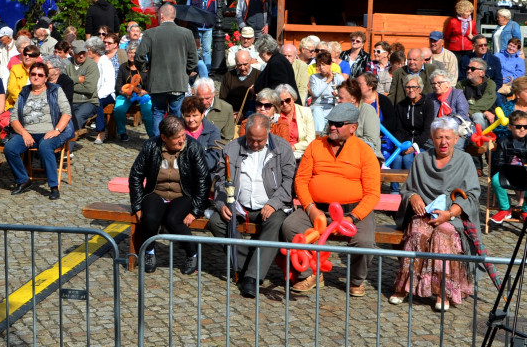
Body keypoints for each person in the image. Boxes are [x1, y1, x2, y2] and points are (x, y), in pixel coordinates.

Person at [282, 103, 381, 296]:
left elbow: (372, 193)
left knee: (364, 242)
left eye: (338, 124)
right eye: (330, 123)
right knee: (290, 227)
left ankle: (356, 280)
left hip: (353, 211)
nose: (332, 127)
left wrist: (353, 217)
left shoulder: (364, 151)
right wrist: (310, 208)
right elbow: (301, 180)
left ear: (353, 128)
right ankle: (310, 273)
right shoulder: (315, 146)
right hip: (318, 209)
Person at [390, 116, 483, 311]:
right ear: (432, 138)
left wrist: (449, 214)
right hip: (424, 213)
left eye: (448, 137)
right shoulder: (422, 159)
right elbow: (407, 189)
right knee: (417, 232)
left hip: (453, 215)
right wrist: (413, 196)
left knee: (443, 233)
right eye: (439, 137)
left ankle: (444, 291)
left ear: (456, 139)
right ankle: (404, 286)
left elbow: (472, 195)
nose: (444, 142)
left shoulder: (465, 160)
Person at [208, 113, 296, 297]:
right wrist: (222, 202)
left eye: (260, 140)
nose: (255, 144)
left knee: (277, 222)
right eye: (251, 140)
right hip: (240, 205)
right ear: (245, 133)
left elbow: (289, 181)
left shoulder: (282, 149)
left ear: (268, 133)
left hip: (271, 205)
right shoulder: (232, 148)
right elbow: (221, 180)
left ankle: (252, 278)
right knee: (217, 221)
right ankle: (251, 264)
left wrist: (274, 203)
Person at [127, 115, 211, 274]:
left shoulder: (193, 147)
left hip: (183, 194)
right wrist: (137, 205)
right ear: (164, 138)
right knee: (149, 218)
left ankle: (192, 252)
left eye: (183, 136)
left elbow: (203, 179)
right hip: (156, 192)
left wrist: (196, 210)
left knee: (173, 220)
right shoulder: (151, 146)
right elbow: (136, 175)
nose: (181, 141)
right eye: (176, 138)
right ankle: (149, 252)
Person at [4, 62, 73, 201]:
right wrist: (24, 133)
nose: (36, 77)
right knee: (10, 148)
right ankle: (23, 180)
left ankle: (54, 186)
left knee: (45, 146)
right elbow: (14, 117)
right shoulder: (24, 92)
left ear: (46, 77)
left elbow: (67, 112)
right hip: (27, 132)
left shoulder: (55, 90)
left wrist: (57, 130)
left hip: (50, 131)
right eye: (33, 74)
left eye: (40, 75)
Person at [135, 2, 198, 135]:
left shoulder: (150, 33)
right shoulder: (186, 33)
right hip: (178, 82)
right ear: (174, 17)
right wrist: (185, 72)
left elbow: (139, 56)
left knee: (158, 113)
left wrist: (145, 68)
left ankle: (158, 144)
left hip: (157, 83)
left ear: (161, 16)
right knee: (176, 114)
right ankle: (175, 141)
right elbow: (193, 59)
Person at [488, 109, 527, 224]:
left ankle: (526, 210)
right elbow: (499, 161)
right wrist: (508, 169)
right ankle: (505, 209)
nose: (522, 129)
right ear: (510, 127)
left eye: (526, 127)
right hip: (508, 172)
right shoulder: (503, 142)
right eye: (519, 126)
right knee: (496, 180)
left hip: (525, 172)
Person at [113, 41, 154, 141]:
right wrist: (126, 93)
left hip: (143, 94)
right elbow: (118, 86)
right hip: (126, 94)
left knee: (147, 110)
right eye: (130, 52)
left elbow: (152, 83)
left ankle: (152, 135)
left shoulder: (146, 66)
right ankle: (122, 132)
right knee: (118, 109)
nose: (132, 55)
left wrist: (146, 92)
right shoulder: (123, 67)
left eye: (135, 53)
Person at [418, 70, 470, 148]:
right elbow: (427, 116)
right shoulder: (430, 97)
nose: (436, 86)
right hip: (436, 130)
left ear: (448, 83)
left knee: (455, 146)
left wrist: (446, 124)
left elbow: (462, 114)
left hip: (455, 129)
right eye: (433, 83)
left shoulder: (457, 94)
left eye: (439, 83)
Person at [336, 77, 381, 157]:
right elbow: (325, 134)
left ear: (353, 99)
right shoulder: (337, 111)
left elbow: (371, 141)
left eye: (341, 98)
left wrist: (343, 141)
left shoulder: (368, 111)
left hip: (365, 155)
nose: (338, 101)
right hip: (339, 153)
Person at [391, 74, 426, 173]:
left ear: (420, 89)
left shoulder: (427, 104)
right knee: (397, 158)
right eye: (408, 87)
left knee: (407, 159)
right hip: (403, 143)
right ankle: (394, 188)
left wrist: (413, 147)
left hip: (421, 144)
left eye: (414, 87)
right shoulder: (401, 106)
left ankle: (410, 187)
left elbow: (427, 130)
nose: (411, 90)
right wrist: (401, 147)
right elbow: (399, 129)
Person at [85, 37, 115, 144]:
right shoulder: (89, 63)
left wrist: (97, 95)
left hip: (106, 94)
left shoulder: (105, 62)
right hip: (91, 92)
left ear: (95, 51)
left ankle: (101, 132)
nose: (86, 51)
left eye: (88, 49)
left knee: (97, 103)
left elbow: (109, 85)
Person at [181, 96, 222, 172]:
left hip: (207, 174)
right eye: (187, 116)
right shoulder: (178, 130)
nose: (191, 120)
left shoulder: (212, 130)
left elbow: (213, 157)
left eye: (194, 115)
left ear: (202, 114)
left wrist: (192, 166)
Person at [308, 49, 345, 135]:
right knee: (317, 111)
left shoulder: (338, 78)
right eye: (319, 65)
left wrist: (338, 95)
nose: (321, 68)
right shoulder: (314, 77)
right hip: (318, 106)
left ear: (330, 64)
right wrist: (327, 81)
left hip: (333, 106)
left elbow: (346, 91)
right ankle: (320, 136)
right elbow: (316, 93)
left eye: (324, 65)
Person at [275, 83, 315, 159]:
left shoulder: (305, 112)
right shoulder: (275, 115)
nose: (285, 104)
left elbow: (311, 139)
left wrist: (294, 147)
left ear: (293, 98)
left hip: (300, 153)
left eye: (287, 100)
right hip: (279, 153)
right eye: (281, 102)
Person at [221, 50, 261, 123]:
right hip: (232, 115)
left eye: (245, 64)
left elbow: (263, 102)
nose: (242, 68)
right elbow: (222, 99)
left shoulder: (258, 75)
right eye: (239, 65)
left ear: (251, 61)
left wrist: (255, 94)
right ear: (236, 63)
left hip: (251, 116)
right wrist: (232, 113)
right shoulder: (229, 76)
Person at [458, 58, 498, 131]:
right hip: (465, 114)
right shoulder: (461, 84)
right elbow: (459, 102)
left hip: (481, 117)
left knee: (478, 116)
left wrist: (469, 112)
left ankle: (482, 139)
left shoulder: (490, 84)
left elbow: (485, 102)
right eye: (467, 68)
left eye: (472, 69)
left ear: (482, 73)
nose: (468, 71)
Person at [187, 0, 218, 69]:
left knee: (207, 50)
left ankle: (207, 70)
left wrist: (213, 21)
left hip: (208, 27)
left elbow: (215, 11)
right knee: (194, 49)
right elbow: (187, 9)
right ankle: (195, 68)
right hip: (196, 26)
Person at [195, 77, 236, 145]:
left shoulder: (226, 108)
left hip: (216, 148)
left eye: (207, 98)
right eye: (201, 99)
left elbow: (227, 137)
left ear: (214, 93)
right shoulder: (189, 107)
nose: (204, 102)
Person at [6, 43, 41, 110]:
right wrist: (23, 101)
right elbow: (12, 88)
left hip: (35, 104)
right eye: (25, 54)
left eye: (30, 55)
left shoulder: (40, 70)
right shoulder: (15, 68)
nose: (27, 57)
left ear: (36, 57)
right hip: (15, 104)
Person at [444, 0, 476, 68]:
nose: (469, 13)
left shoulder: (472, 22)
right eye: (467, 11)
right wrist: (454, 41)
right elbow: (447, 35)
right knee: (455, 66)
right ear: (461, 11)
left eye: (470, 11)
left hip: (468, 48)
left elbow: (475, 34)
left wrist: (473, 37)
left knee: (467, 66)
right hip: (455, 48)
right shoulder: (453, 21)